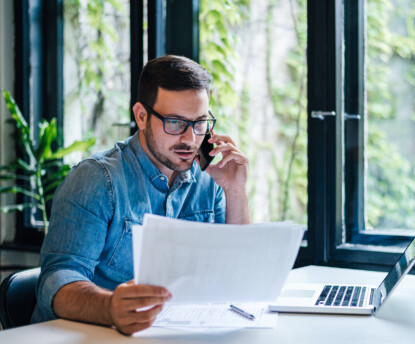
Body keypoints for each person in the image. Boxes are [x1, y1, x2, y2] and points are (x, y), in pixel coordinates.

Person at [31, 55, 251, 335]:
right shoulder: (96, 180)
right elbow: (57, 279)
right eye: (174, 122)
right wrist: (110, 307)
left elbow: (239, 277)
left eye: (199, 123)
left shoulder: (209, 179)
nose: (190, 139)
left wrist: (235, 191)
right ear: (142, 116)